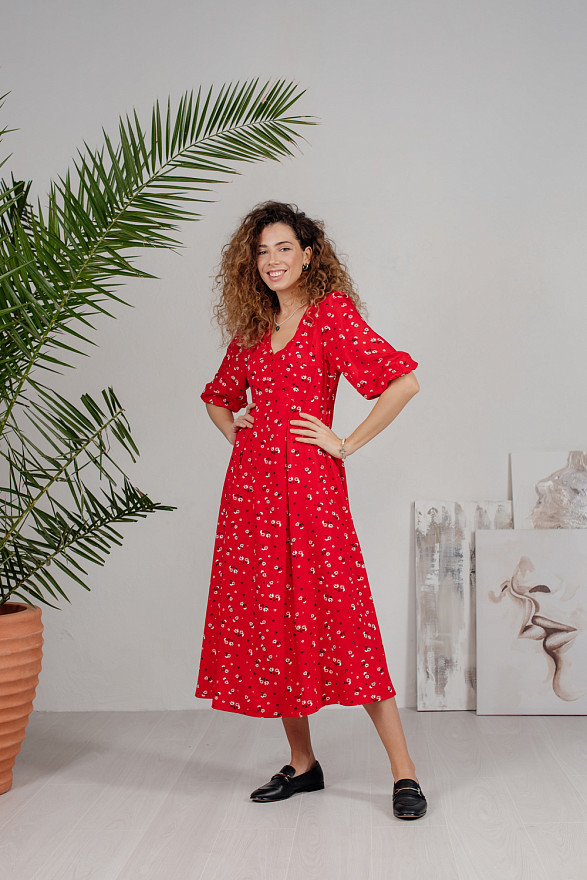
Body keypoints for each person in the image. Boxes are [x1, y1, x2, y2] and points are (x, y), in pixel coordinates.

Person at [195, 201, 426, 820]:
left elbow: (402, 382)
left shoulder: (332, 318)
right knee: (274, 624)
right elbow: (218, 399)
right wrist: (237, 430)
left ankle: (404, 776)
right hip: (251, 497)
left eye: (282, 248)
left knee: (347, 624)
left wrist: (344, 442)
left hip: (313, 492)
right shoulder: (250, 332)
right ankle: (304, 765)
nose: (271, 261)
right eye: (261, 251)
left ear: (309, 254)